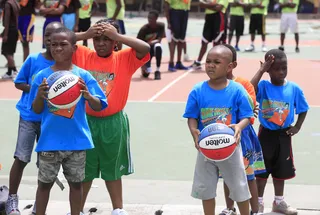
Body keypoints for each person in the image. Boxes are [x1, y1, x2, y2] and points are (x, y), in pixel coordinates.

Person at [28, 27, 107, 215]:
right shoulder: (42, 77)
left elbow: (99, 105)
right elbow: (35, 110)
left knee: (76, 184)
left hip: (77, 141)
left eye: (63, 44)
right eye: (53, 44)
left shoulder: (83, 76)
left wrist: (89, 96)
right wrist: (39, 96)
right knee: (44, 185)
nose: (57, 48)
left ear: (74, 48)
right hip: (49, 141)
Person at [74, 19, 150, 215]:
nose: (101, 43)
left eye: (107, 39)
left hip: (113, 123)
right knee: (85, 170)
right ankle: (77, 210)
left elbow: (145, 47)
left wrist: (116, 35)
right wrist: (84, 35)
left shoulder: (124, 58)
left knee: (113, 169)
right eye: (97, 39)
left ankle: (118, 209)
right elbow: (58, 41)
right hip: (86, 122)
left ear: (115, 42)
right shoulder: (83, 55)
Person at [183, 45, 253, 215]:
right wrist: (193, 131)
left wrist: (239, 126)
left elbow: (247, 115)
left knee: (239, 188)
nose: (211, 65)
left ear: (230, 67)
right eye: (208, 61)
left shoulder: (237, 90)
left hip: (230, 148)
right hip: (205, 148)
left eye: (216, 62)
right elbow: (192, 116)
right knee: (206, 190)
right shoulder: (198, 90)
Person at [5, 22, 64, 215]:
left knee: (45, 164)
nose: (50, 39)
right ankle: (12, 199)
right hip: (29, 116)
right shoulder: (33, 59)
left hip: (50, 120)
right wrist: (37, 90)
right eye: (47, 35)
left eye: (55, 36)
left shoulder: (64, 64)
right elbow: (19, 83)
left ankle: (40, 206)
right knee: (21, 158)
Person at [251, 49, 309, 214]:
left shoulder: (294, 88)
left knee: (281, 171)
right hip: (265, 135)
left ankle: (279, 202)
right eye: (276, 68)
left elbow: (303, 109)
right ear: (269, 69)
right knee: (261, 172)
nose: (281, 72)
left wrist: (297, 126)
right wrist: (261, 70)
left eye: (284, 67)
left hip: (284, 135)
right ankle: (258, 203)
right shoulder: (263, 86)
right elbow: (249, 89)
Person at [218, 44, 266, 215]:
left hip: (242, 136)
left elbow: (250, 106)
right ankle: (230, 208)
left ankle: (254, 210)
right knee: (226, 176)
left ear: (232, 64)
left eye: (219, 61)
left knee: (248, 176)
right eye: (212, 62)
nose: (215, 65)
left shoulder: (243, 84)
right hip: (223, 136)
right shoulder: (213, 86)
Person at [190, 0, 229, 70]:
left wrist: (206, 5)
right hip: (208, 18)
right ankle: (198, 62)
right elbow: (201, 3)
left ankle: (217, 63)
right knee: (204, 41)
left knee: (217, 42)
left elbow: (218, 8)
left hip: (218, 18)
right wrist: (212, 4)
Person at [137, 10, 164, 80]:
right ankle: (147, 67)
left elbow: (159, 40)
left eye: (152, 18)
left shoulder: (161, 26)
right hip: (146, 51)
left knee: (158, 46)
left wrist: (150, 43)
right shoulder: (144, 29)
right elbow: (137, 44)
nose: (149, 20)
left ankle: (157, 70)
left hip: (155, 48)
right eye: (148, 18)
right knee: (146, 74)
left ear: (156, 19)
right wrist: (141, 63)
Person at [164, 0, 190, 71]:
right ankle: (171, 63)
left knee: (181, 39)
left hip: (185, 12)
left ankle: (178, 62)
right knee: (174, 38)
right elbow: (166, 4)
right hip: (175, 12)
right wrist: (168, 21)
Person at [0, 0, 19, 79]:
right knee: (10, 52)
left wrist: (5, 34)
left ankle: (14, 71)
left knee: (6, 52)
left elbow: (7, 20)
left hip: (10, 30)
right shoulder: (15, 2)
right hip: (15, 29)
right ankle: (9, 72)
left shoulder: (8, 4)